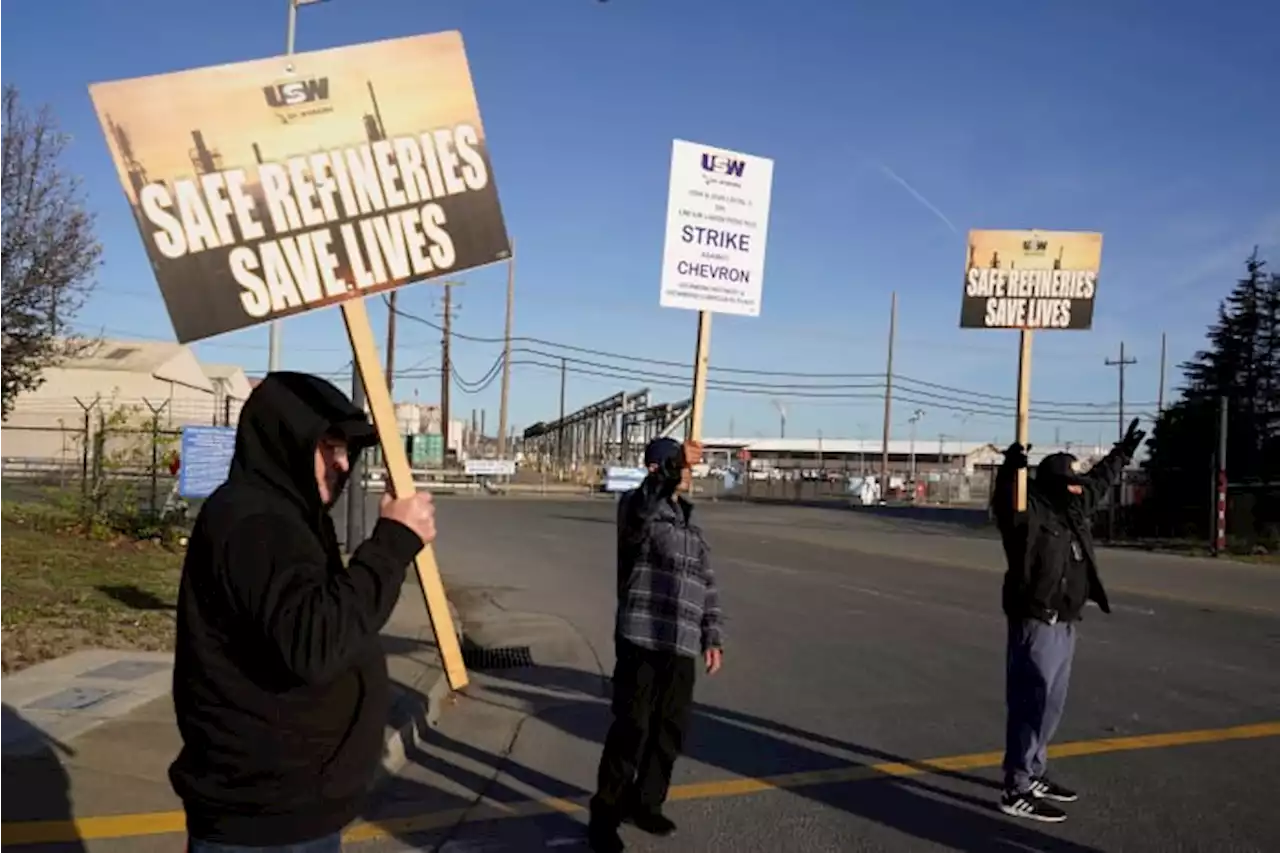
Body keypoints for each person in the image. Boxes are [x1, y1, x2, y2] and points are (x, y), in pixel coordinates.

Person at [170, 372, 437, 852]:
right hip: (265, 819)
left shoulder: (285, 517)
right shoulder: (256, 523)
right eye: (327, 446)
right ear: (286, 439)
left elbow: (317, 620)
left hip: (288, 807)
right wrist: (392, 543)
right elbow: (316, 642)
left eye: (345, 449)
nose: (340, 462)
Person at [992, 418, 1146, 823]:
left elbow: (1099, 481)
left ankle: (1034, 771)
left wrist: (1122, 453)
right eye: (1072, 482)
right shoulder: (1031, 513)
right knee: (1031, 702)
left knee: (1051, 706)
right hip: (1036, 620)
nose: (1080, 489)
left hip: (1065, 622)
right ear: (1054, 484)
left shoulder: (1073, 508)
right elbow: (1007, 504)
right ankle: (1016, 787)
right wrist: (1012, 470)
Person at [588, 437, 725, 853]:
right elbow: (647, 500)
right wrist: (672, 466)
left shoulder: (689, 525)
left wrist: (711, 634)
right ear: (656, 469)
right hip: (642, 638)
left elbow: (707, 584)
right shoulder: (637, 508)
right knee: (631, 729)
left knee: (669, 731)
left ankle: (645, 804)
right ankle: (604, 818)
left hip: (679, 644)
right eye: (678, 466)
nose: (687, 473)